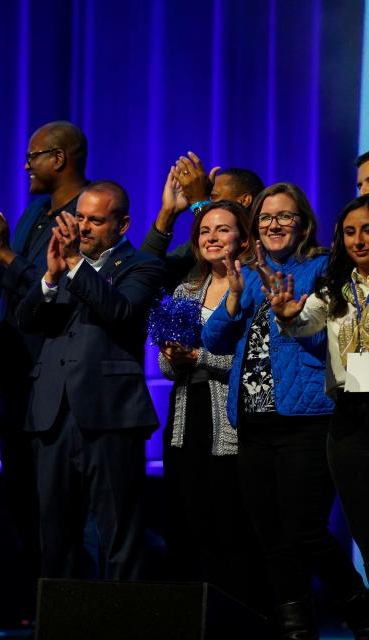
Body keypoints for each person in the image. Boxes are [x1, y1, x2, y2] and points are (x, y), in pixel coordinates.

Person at [202, 182, 366, 638]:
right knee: (272, 539)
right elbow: (214, 341)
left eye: (285, 216)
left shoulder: (321, 270)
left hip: (306, 420)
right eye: (266, 218)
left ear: (303, 223)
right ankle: (297, 631)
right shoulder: (247, 276)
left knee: (305, 531)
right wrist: (233, 298)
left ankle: (360, 608)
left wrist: (291, 315)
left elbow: (330, 343)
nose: (275, 225)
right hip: (253, 425)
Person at [17, 180, 164, 581]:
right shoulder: (62, 265)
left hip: (110, 416)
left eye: (96, 221)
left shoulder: (141, 266)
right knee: (56, 538)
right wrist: (49, 278)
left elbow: (120, 312)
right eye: (79, 217)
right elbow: (26, 322)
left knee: (119, 537)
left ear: (123, 224)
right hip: (53, 416)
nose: (83, 227)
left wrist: (76, 266)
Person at [0, 121, 89, 606]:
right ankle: (42, 604)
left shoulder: (86, 215)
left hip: (58, 380)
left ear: (59, 159)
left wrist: (2, 252)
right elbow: (17, 287)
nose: (26, 165)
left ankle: (73, 606)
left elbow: (63, 293)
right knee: (22, 498)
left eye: (34, 155)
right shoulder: (31, 215)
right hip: (17, 375)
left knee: (61, 505)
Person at [266, 194, 369, 637]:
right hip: (350, 418)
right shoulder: (335, 287)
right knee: (365, 529)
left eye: (367, 230)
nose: (359, 240)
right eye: (349, 232)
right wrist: (288, 316)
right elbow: (305, 321)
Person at [156, 200, 266, 612]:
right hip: (187, 419)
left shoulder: (255, 286)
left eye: (223, 229)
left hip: (235, 422)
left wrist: (199, 357)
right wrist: (175, 355)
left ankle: (244, 617)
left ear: (243, 238)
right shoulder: (184, 290)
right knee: (191, 524)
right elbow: (167, 367)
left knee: (233, 527)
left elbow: (254, 360)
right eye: (204, 231)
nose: (213, 238)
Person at [141, 151, 263, 287]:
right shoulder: (204, 245)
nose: (209, 204)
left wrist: (200, 202)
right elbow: (143, 274)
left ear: (244, 200)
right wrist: (168, 212)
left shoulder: (263, 242)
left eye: (213, 197)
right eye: (207, 198)